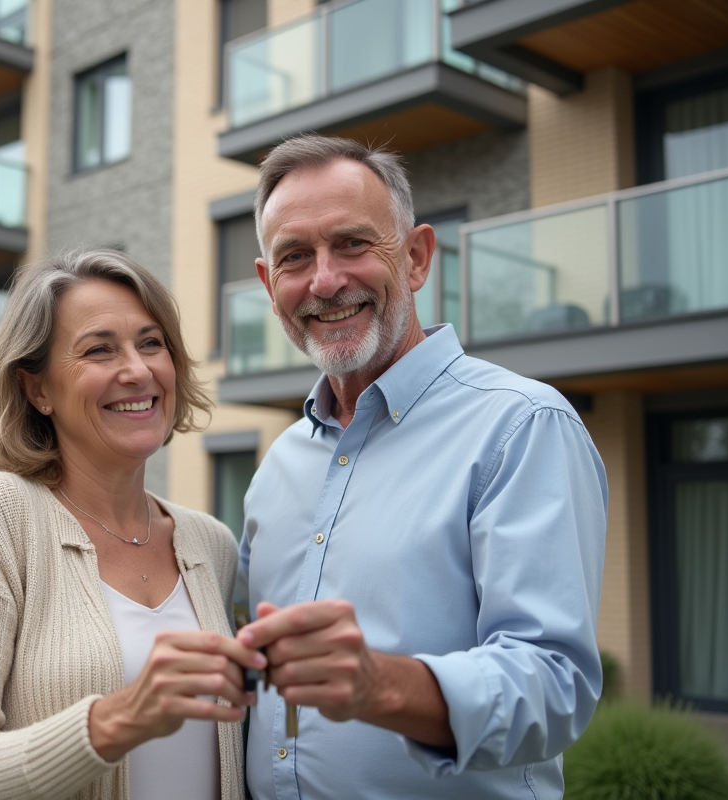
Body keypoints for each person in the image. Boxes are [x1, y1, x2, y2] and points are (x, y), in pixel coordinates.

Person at [234, 135, 608, 799]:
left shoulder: (520, 426)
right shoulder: (279, 466)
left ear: (415, 258)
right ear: (270, 286)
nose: (325, 281)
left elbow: (554, 685)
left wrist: (382, 686)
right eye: (295, 257)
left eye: (352, 244)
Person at [0, 250, 264, 800]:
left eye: (151, 343)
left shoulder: (210, 542)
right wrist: (112, 723)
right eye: (99, 350)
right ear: (36, 389)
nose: (137, 370)